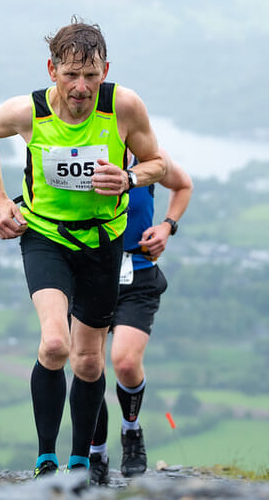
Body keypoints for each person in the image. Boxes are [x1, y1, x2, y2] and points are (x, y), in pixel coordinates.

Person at [0, 17, 166, 478]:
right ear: (52, 69)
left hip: (103, 242)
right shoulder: (29, 112)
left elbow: (158, 162)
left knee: (90, 358)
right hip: (46, 237)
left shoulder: (123, 106)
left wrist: (130, 178)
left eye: (91, 76)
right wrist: (0, 201)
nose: (81, 87)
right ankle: (45, 459)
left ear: (106, 70)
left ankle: (82, 462)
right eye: (71, 74)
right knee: (55, 343)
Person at [88, 149, 193, 484]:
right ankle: (95, 450)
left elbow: (183, 185)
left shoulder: (148, 158)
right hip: (89, 275)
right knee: (89, 368)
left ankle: (131, 433)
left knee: (126, 363)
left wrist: (167, 226)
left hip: (138, 274)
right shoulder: (84, 155)